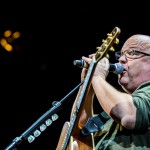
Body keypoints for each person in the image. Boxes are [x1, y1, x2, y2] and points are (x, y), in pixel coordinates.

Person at [56, 34, 150, 150]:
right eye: (121, 54)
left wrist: (97, 76)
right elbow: (79, 130)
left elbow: (129, 116)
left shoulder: (127, 108)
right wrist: (87, 86)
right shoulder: (111, 114)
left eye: (133, 53)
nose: (121, 59)